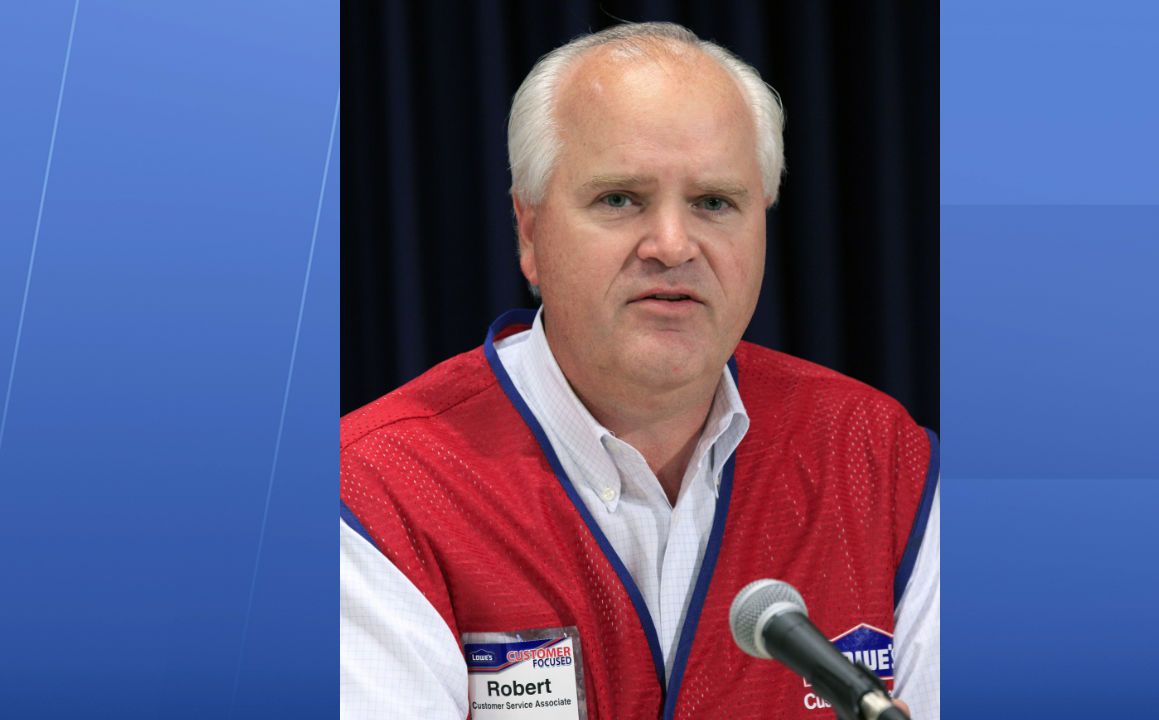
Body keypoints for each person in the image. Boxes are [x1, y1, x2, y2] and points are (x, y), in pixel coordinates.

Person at [341, 22, 938, 720]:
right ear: (528, 231)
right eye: (620, 199)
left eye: (715, 202)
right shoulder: (379, 490)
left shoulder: (880, 460)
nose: (673, 245)